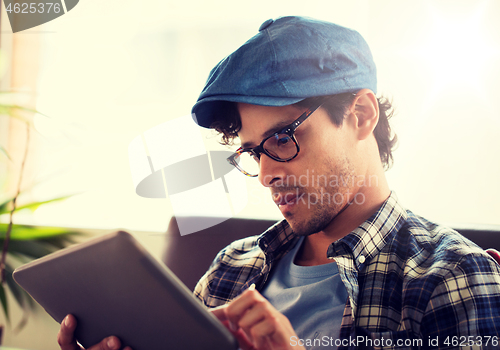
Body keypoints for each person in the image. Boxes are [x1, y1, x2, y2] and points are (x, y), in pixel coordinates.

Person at [57, 16, 500, 350]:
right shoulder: (230, 269)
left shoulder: (453, 277)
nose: (267, 175)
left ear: (361, 115)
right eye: (253, 151)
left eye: (283, 138)